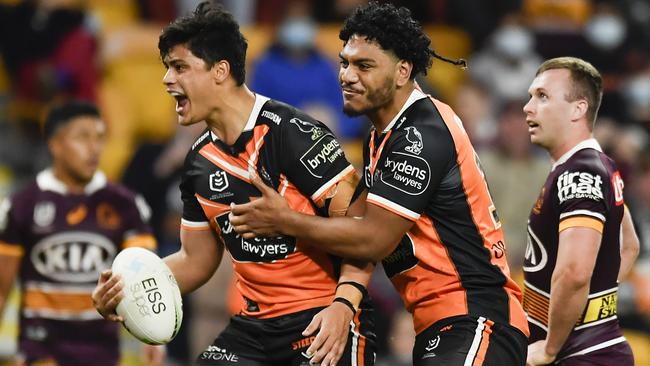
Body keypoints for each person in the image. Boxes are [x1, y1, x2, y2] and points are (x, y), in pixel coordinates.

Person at [229, 2, 529, 365]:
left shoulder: (422, 132)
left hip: (477, 317)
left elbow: (373, 237)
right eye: (344, 62)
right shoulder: (382, 139)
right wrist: (343, 303)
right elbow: (361, 235)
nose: (347, 76)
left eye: (364, 66)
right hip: (440, 325)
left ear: (403, 71)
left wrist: (285, 221)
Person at [92, 3, 376, 366]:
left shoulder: (292, 134)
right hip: (255, 327)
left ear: (220, 71)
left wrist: (342, 305)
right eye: (166, 68)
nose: (166, 80)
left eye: (179, 67)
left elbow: (364, 230)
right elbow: (195, 261)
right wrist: (126, 292)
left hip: (324, 316)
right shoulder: (197, 163)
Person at [0, 100, 164, 366]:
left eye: (100, 138)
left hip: (102, 353)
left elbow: (148, 276)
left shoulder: (126, 204)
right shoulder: (22, 205)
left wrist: (156, 336)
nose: (94, 148)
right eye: (82, 137)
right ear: (55, 144)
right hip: (41, 352)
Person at [520, 57, 639, 365]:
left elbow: (574, 274)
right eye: (531, 95)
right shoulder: (596, 166)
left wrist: (551, 347)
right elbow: (629, 246)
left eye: (543, 96)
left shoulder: (579, 173)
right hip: (596, 349)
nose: (528, 107)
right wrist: (591, 309)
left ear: (578, 109)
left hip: (581, 356)